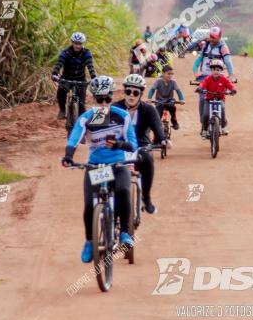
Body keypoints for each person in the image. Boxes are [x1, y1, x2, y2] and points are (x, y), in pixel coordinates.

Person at [62, 76, 138, 262]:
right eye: (99, 99)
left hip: (118, 164)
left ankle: (125, 234)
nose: (103, 103)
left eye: (107, 99)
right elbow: (74, 138)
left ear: (111, 97)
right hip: (95, 166)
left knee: (123, 190)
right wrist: (68, 156)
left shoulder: (123, 116)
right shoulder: (87, 118)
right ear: (93, 99)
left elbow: (133, 144)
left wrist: (119, 144)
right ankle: (90, 241)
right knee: (89, 204)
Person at [113, 74, 167, 215]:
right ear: (124, 92)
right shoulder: (114, 108)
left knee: (148, 159)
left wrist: (163, 140)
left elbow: (157, 127)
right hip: (118, 146)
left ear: (141, 94)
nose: (131, 96)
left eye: (135, 92)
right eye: (128, 91)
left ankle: (146, 198)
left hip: (141, 145)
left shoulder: (148, 109)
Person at [187, 26, 234, 126]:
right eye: (211, 36)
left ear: (219, 37)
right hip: (203, 76)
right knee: (202, 98)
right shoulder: (205, 45)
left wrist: (231, 75)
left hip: (219, 76)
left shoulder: (223, 47)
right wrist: (196, 73)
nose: (212, 39)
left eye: (214, 37)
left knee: (221, 97)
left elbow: (228, 61)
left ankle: (222, 121)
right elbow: (189, 49)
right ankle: (203, 122)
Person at [52, 32, 96, 119]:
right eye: (76, 43)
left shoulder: (86, 53)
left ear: (82, 44)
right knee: (61, 91)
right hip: (66, 79)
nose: (77, 46)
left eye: (80, 44)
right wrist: (54, 73)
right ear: (72, 42)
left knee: (81, 105)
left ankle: (82, 119)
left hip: (80, 79)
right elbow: (59, 63)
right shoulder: (65, 52)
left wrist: (93, 76)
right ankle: (62, 110)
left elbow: (90, 66)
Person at [198, 59, 236, 137]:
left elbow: (230, 85)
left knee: (222, 110)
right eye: (213, 70)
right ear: (211, 70)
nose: (215, 71)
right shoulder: (208, 78)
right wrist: (200, 88)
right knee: (205, 115)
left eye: (218, 70)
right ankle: (204, 130)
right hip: (209, 100)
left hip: (220, 100)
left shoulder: (224, 79)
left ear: (221, 71)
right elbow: (203, 84)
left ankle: (223, 127)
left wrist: (233, 89)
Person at [148, 65, 185, 130]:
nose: (170, 75)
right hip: (159, 101)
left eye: (172, 74)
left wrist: (181, 99)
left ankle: (174, 121)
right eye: (168, 74)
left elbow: (178, 91)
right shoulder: (158, 81)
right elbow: (152, 90)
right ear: (163, 73)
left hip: (169, 101)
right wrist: (149, 98)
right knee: (157, 116)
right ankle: (157, 128)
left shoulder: (173, 82)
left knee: (172, 108)